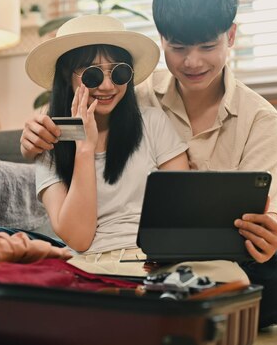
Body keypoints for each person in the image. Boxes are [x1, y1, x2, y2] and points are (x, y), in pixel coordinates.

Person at [21, 0, 277, 329]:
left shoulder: (257, 119)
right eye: (178, 48)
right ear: (163, 40)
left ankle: (158, 313)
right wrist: (44, 135)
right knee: (21, 249)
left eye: (207, 47)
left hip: (198, 255)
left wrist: (265, 233)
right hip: (110, 257)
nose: (192, 62)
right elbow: (67, 124)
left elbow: (262, 218)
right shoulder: (136, 97)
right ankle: (187, 316)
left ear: (230, 35)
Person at [24, 14, 193, 275]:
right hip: (88, 266)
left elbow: (182, 212)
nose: (107, 85)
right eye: (92, 75)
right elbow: (79, 238)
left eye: (119, 72)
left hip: (152, 262)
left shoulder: (153, 123)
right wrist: (84, 147)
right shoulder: (49, 141)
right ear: (67, 76)